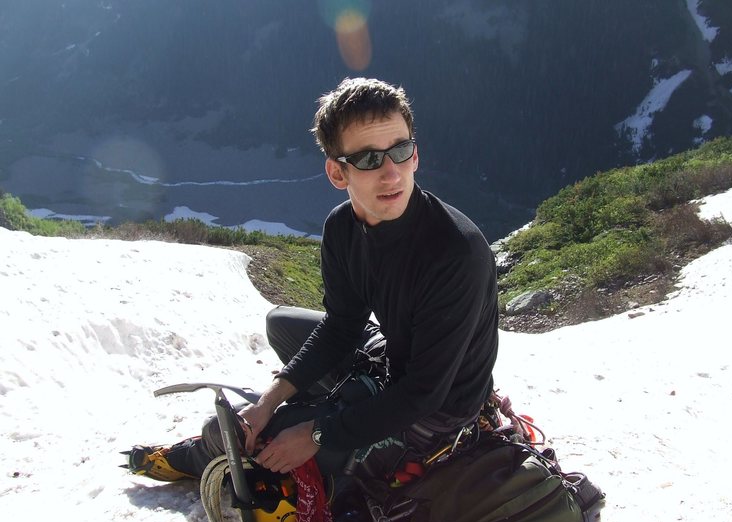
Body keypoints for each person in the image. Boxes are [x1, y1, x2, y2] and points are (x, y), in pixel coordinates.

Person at [126, 77, 499, 484]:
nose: (392, 174)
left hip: (439, 409)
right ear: (337, 173)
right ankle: (276, 418)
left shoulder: (455, 252)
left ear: (415, 155)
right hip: (397, 361)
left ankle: (205, 453)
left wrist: (318, 433)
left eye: (400, 151)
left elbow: (423, 394)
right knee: (281, 323)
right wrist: (269, 401)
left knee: (277, 442)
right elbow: (342, 324)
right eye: (370, 160)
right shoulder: (342, 227)